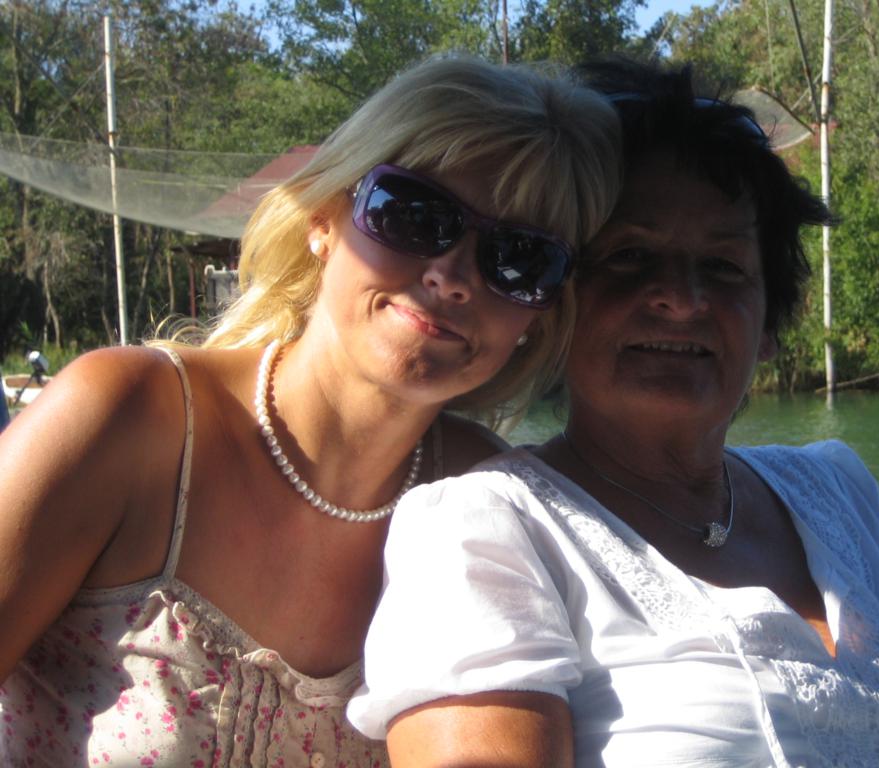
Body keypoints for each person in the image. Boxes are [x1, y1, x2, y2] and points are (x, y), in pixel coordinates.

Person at [348, 59, 879, 767]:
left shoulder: (835, 496)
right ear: (554, 304)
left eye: (724, 267)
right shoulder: (486, 530)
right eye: (630, 256)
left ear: (768, 325)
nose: (681, 298)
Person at [0, 56, 621, 765]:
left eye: (519, 258)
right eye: (414, 214)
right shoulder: (129, 419)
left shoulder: (493, 505)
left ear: (539, 316)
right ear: (324, 219)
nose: (452, 276)